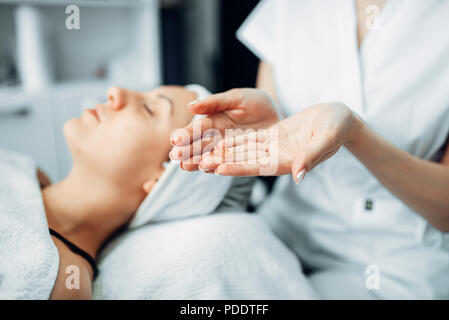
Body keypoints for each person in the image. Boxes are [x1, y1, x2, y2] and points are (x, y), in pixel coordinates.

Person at [170, 0, 449, 299]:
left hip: (394, 259)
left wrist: (354, 135)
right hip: (287, 228)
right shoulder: (291, 6)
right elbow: (280, 133)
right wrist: (269, 124)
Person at [1, 85, 197, 299]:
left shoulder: (66, 282)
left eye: (149, 109)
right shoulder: (27, 172)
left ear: (161, 180)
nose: (115, 92)